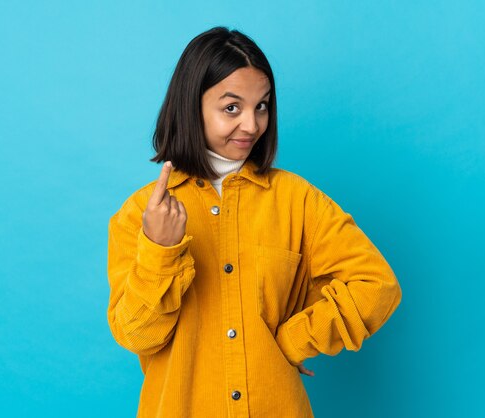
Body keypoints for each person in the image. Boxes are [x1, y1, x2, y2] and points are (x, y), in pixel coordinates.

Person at [106, 26, 402, 418]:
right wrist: (160, 251)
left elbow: (376, 286)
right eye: (232, 107)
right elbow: (136, 334)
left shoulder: (297, 199)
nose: (251, 125)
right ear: (190, 106)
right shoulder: (140, 213)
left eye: (261, 106)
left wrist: (294, 339)